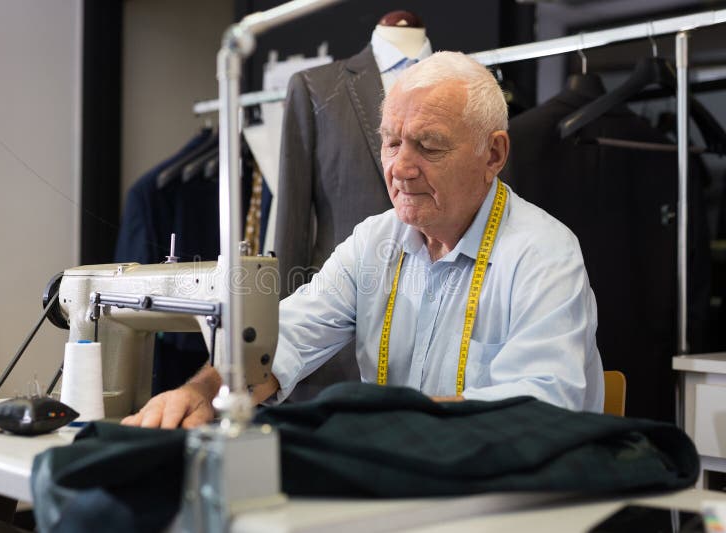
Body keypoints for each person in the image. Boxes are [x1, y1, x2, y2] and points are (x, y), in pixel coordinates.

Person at [122, 51, 605, 429]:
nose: (399, 167)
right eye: (391, 141)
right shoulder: (375, 241)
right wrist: (203, 392)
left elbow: (543, 404)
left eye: (429, 145)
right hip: (403, 480)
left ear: (493, 154)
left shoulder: (543, 254)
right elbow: (279, 344)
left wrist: (376, 420)